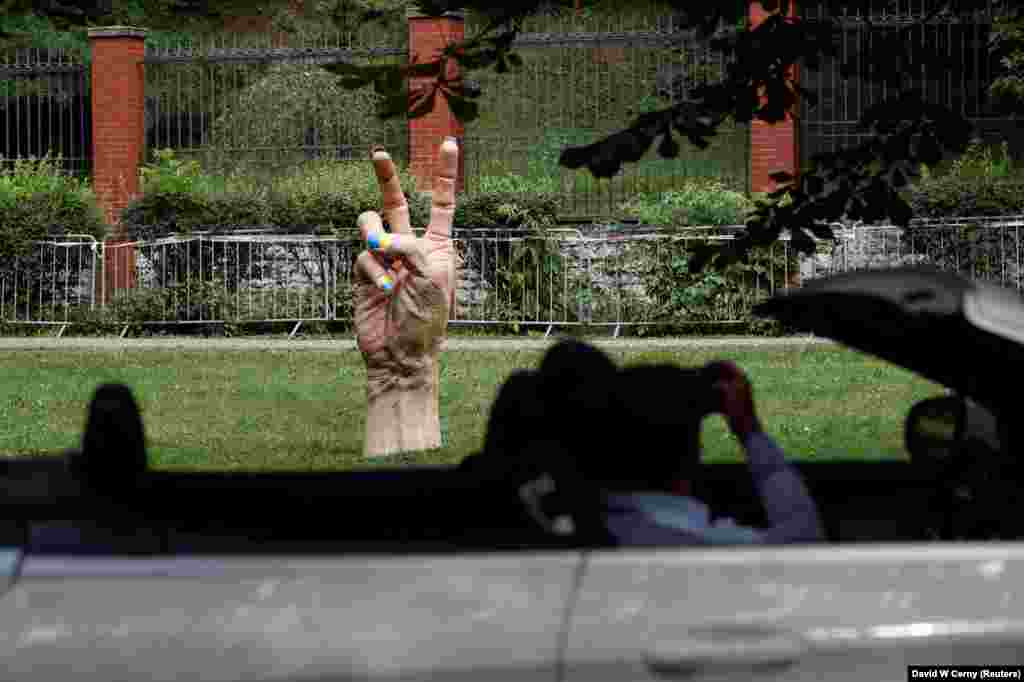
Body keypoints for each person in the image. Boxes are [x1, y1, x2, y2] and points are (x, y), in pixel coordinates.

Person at [479, 340, 823, 546]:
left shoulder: (565, 521)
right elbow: (803, 539)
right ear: (689, 456)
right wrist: (749, 429)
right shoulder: (693, 541)